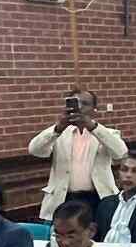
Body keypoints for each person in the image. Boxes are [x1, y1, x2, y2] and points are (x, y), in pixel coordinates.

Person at [28, 88, 128, 220]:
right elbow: (35, 150)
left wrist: (93, 127)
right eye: (76, 103)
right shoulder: (59, 133)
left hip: (98, 197)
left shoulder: (107, 133)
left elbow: (120, 153)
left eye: (85, 104)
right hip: (65, 198)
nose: (80, 107)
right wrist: (58, 128)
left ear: (94, 109)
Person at [94, 156, 136, 244]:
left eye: (135, 171)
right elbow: (96, 238)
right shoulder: (106, 203)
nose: (128, 175)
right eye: (124, 170)